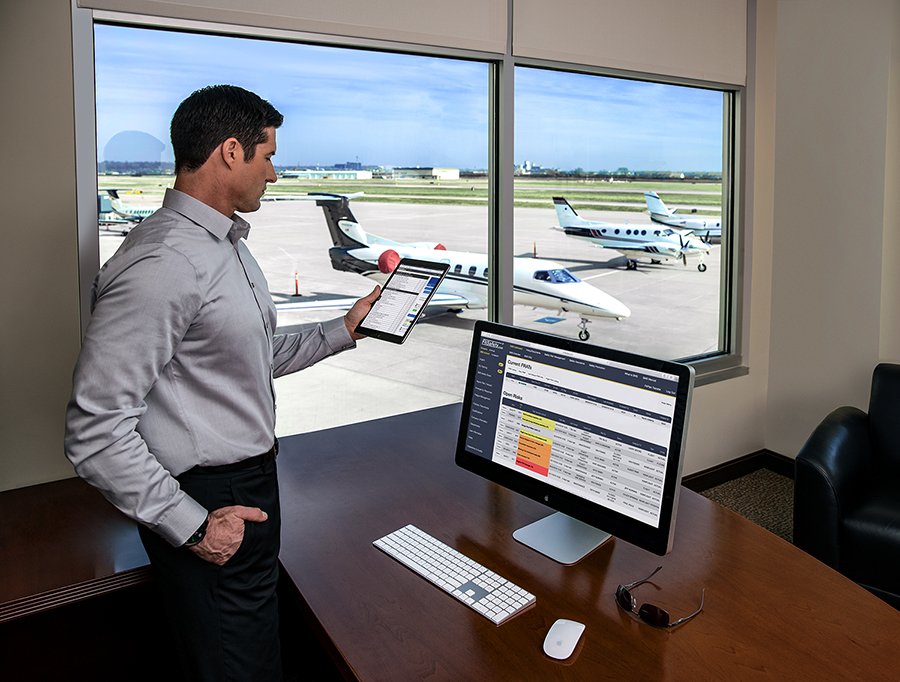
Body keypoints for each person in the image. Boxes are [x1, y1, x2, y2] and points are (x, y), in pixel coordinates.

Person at [64, 84, 379, 681]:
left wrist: (342, 329)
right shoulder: (165, 263)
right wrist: (193, 526)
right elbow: (95, 429)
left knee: (251, 652)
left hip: (247, 487)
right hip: (211, 498)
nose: (275, 173)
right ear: (231, 153)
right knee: (239, 667)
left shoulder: (225, 247)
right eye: (268, 156)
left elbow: (244, 359)